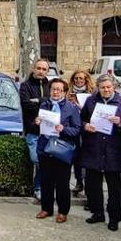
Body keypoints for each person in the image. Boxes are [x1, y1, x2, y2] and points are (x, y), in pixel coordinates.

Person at [79, 75, 121, 231]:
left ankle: (114, 218)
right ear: (98, 87)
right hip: (93, 148)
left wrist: (120, 123)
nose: (106, 90)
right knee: (92, 185)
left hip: (113, 150)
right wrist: (85, 126)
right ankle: (97, 213)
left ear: (114, 87)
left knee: (114, 187)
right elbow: (80, 119)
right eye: (103, 87)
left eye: (109, 87)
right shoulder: (91, 101)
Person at [34, 78, 82, 223]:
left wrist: (64, 129)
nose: (55, 92)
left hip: (62, 149)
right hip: (45, 148)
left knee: (62, 182)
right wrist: (37, 122)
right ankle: (46, 208)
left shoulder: (71, 108)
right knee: (46, 180)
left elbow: (77, 129)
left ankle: (62, 211)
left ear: (65, 92)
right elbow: (40, 126)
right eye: (53, 89)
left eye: (59, 90)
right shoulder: (44, 104)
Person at [19, 59, 52, 201]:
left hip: (49, 131)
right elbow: (26, 105)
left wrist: (38, 101)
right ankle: (39, 187)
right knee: (37, 160)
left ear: (47, 71)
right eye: (38, 68)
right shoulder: (25, 86)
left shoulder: (51, 85)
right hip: (33, 130)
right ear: (33, 68)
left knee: (48, 162)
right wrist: (44, 101)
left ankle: (40, 188)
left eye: (44, 69)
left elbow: (55, 103)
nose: (41, 71)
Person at [66, 70, 95, 194]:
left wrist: (78, 105)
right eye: (76, 78)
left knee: (85, 156)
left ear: (86, 80)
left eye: (81, 78)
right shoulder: (68, 92)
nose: (79, 81)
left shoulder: (91, 94)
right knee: (75, 155)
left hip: (86, 127)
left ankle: (85, 183)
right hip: (73, 126)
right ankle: (78, 181)